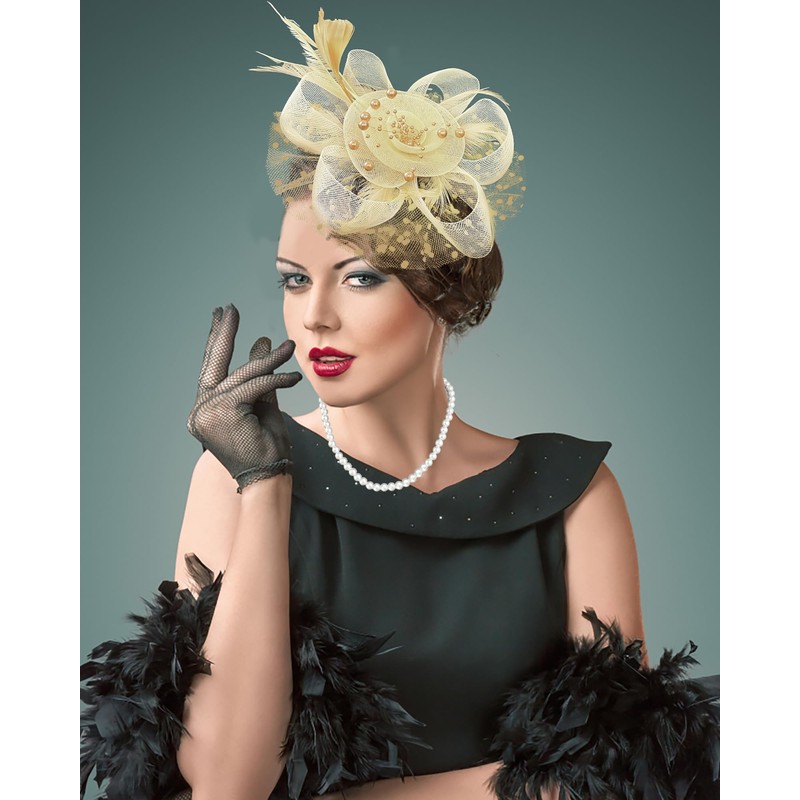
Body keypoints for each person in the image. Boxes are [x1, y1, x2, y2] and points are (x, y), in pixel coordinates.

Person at [80, 7, 719, 800]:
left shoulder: (570, 495)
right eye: (294, 280)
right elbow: (225, 783)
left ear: (444, 291)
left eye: (359, 277)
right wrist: (268, 488)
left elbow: (617, 778)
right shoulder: (233, 476)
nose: (314, 316)